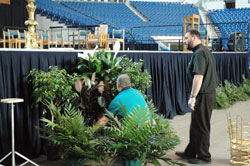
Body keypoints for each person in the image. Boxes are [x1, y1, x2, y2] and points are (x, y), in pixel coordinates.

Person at [176, 29, 219, 164]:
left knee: (202, 126)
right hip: (205, 94)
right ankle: (191, 152)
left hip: (203, 95)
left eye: (186, 38)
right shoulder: (203, 51)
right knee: (195, 125)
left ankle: (204, 157)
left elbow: (198, 77)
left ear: (194, 38)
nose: (184, 41)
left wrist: (193, 96)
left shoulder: (200, 53)